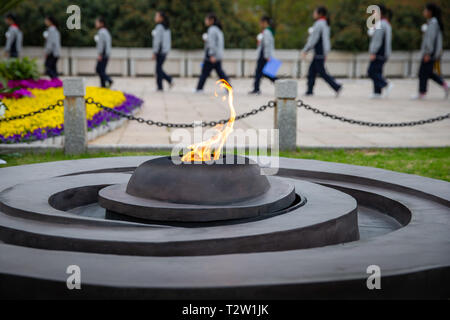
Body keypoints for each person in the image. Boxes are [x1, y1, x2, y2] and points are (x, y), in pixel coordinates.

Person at [301, 6, 342, 97]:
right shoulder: (325, 23)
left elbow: (313, 39)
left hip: (319, 51)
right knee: (312, 71)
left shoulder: (319, 24)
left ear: (320, 14)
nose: (313, 14)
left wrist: (306, 49)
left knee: (322, 72)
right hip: (321, 52)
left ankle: (336, 86)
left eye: (315, 12)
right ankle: (309, 90)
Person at [412, 3, 448, 100]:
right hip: (432, 52)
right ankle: (445, 85)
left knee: (423, 73)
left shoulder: (433, 23)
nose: (424, 12)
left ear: (430, 12)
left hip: (429, 53)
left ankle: (422, 93)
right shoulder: (433, 23)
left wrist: (427, 53)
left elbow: (430, 40)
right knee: (429, 72)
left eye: (425, 10)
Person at [195, 13, 230, 93]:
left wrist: (212, 55)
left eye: (206, 19)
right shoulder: (217, 29)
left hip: (212, 55)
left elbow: (212, 43)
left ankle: (199, 88)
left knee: (205, 72)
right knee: (219, 72)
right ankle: (228, 87)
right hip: (217, 54)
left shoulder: (212, 29)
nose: (205, 21)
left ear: (211, 20)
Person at [367, 4, 393, 99]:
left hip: (378, 52)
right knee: (377, 71)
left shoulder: (380, 24)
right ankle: (377, 92)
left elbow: (377, 40)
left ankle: (385, 84)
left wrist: (373, 52)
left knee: (371, 72)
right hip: (383, 52)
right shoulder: (385, 23)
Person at [249, 16, 277, 95]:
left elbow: (267, 45)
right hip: (264, 54)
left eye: (261, 22)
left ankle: (257, 89)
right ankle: (256, 88)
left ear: (265, 22)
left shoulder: (267, 32)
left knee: (262, 72)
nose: (260, 24)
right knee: (261, 72)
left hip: (264, 55)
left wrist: (267, 56)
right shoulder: (267, 31)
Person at [152, 11, 173, 91]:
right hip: (165, 51)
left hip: (160, 51)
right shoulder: (166, 28)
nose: (155, 18)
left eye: (156, 16)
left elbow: (157, 41)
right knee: (159, 69)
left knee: (158, 69)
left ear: (161, 18)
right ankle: (168, 81)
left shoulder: (159, 27)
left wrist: (155, 51)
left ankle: (161, 86)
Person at [95, 17, 113, 88]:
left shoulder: (101, 32)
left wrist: (100, 54)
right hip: (106, 54)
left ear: (101, 23)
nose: (95, 24)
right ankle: (103, 85)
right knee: (101, 70)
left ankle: (108, 80)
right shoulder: (106, 31)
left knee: (99, 69)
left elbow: (101, 44)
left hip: (103, 54)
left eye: (97, 22)